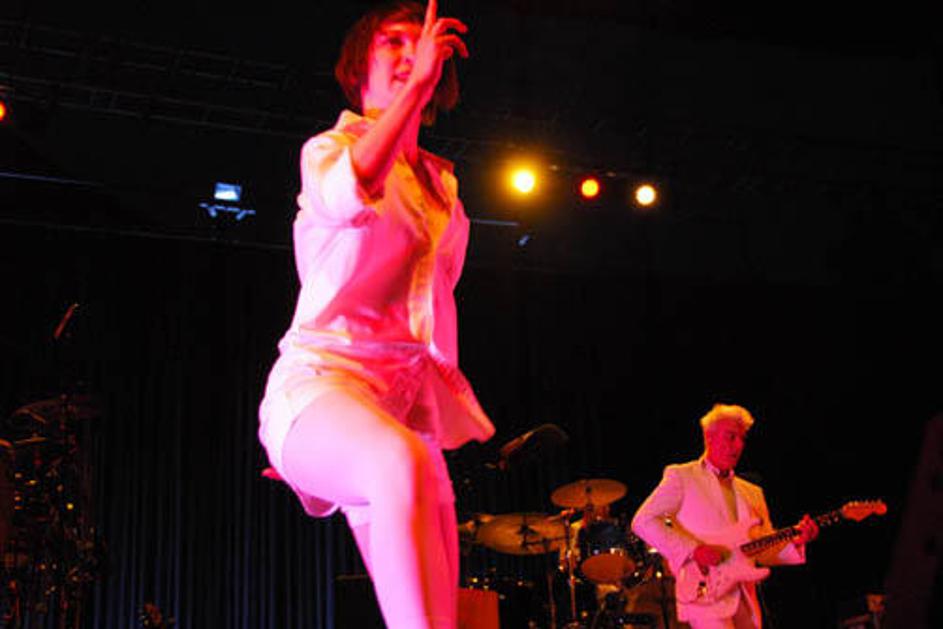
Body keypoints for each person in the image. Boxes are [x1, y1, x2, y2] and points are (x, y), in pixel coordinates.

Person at [257, 2, 494, 628]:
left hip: (398, 415)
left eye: (422, 45)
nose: (411, 55)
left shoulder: (445, 193)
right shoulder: (330, 151)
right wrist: (311, 435)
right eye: (394, 42)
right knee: (399, 463)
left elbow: (428, 317)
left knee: (436, 616)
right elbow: (350, 190)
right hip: (321, 384)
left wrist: (338, 450)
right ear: (359, 65)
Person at [631, 404, 819, 629]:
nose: (738, 445)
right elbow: (642, 521)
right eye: (731, 437)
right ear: (708, 437)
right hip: (705, 593)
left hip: (745, 595)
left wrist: (796, 541)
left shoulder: (752, 492)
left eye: (742, 439)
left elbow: (763, 548)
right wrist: (693, 550)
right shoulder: (682, 476)